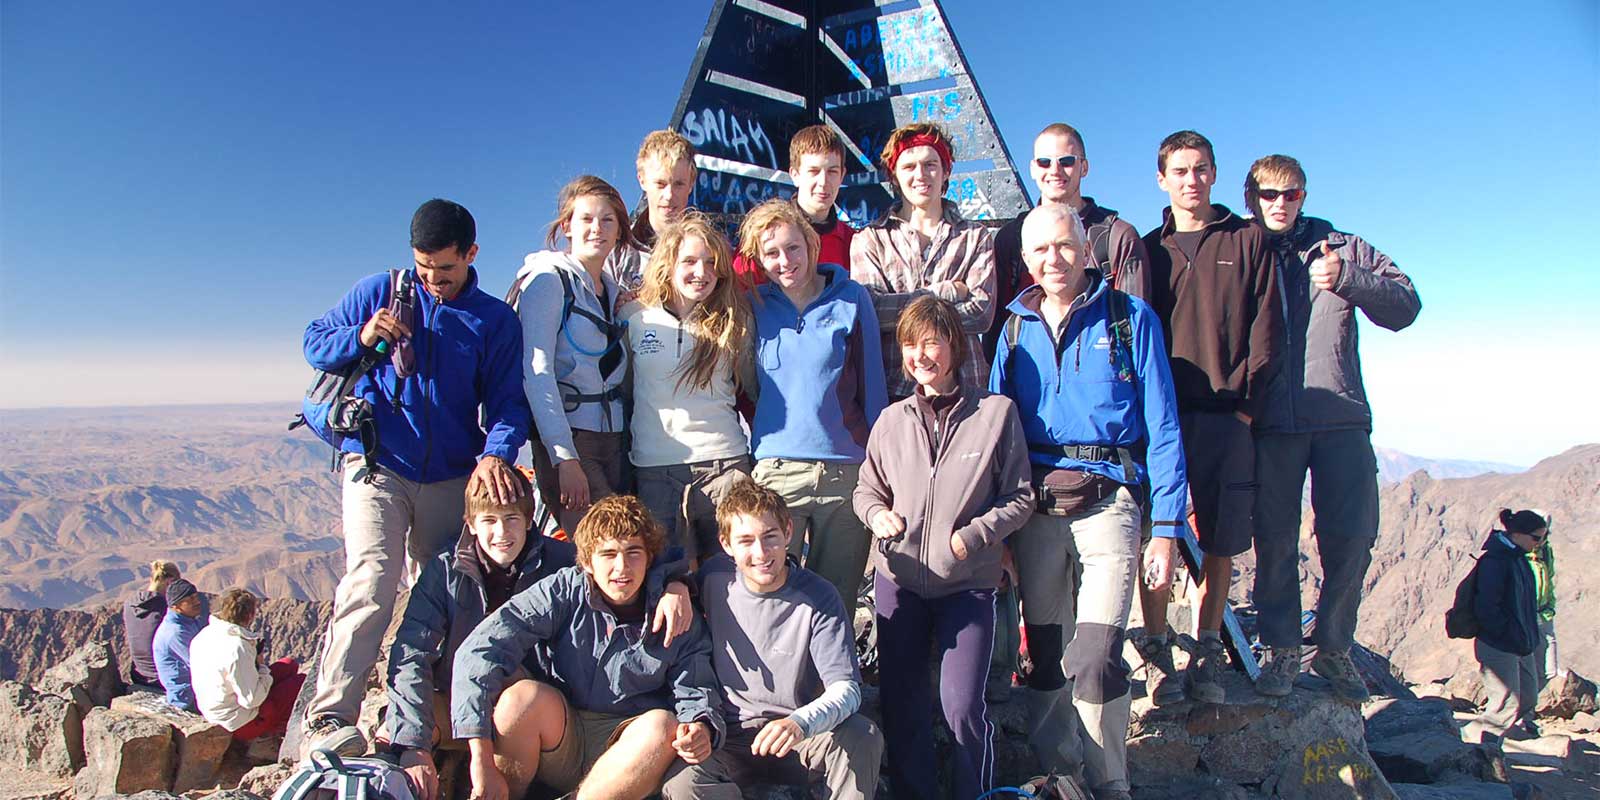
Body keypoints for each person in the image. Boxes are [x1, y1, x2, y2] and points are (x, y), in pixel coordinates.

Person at [301, 198, 529, 756]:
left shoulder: (493, 320)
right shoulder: (380, 290)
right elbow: (313, 341)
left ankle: (442, 708)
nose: (434, 283)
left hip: (451, 473)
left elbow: (507, 402)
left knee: (446, 589)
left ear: (471, 255)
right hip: (377, 463)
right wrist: (360, 336)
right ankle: (331, 716)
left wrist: (496, 454)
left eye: (446, 272)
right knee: (373, 578)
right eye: (425, 271)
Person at [991, 205, 1189, 800]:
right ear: (1025, 259)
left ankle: (1111, 783)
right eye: (1040, 251)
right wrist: (999, 531)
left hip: (1109, 502)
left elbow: (1165, 426)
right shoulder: (1014, 329)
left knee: (1097, 654)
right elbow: (998, 434)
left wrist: (1167, 526)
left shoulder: (1131, 320)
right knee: (1047, 654)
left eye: (1065, 246)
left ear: (1086, 248)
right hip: (1037, 511)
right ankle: (1063, 778)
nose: (1054, 259)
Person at [385, 471, 694, 799]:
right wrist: (419, 746)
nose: (502, 532)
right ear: (470, 523)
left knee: (658, 725)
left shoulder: (561, 564)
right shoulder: (445, 572)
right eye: (489, 519)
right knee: (402, 724)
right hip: (483, 705)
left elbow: (635, 555)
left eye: (512, 519)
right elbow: (416, 654)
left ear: (530, 520)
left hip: (558, 721)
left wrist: (676, 582)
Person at [1242, 154, 1422, 702]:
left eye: (1290, 194)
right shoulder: (1241, 250)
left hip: (1340, 416)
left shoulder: (1343, 247)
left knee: (1352, 535)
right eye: (1268, 194)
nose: (1279, 203)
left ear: (1304, 195)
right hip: (1270, 421)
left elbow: (1406, 305)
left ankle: (1334, 645)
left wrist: (1349, 279)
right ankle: (1281, 647)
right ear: (1251, 197)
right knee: (1273, 538)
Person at [855, 295, 1033, 800]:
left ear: (954, 344)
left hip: (967, 586)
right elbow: (866, 490)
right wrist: (876, 514)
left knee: (961, 706)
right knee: (902, 704)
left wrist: (973, 536)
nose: (920, 355)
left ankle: (973, 794)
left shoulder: (996, 414)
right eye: (910, 344)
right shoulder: (891, 421)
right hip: (899, 583)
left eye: (931, 341)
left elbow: (1019, 497)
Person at [451, 495, 723, 800]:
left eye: (634, 552)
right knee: (520, 699)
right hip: (564, 732)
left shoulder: (674, 608)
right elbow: (481, 648)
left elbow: (696, 686)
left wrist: (701, 726)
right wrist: (480, 757)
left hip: (631, 748)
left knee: (663, 725)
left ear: (650, 557)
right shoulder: (564, 590)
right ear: (588, 562)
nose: (622, 568)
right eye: (608, 554)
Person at [1137, 131, 1281, 705]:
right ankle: (1155, 653)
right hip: (1162, 418)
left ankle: (1203, 657)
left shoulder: (1247, 242)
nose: (1190, 180)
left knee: (1219, 540)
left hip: (1226, 415)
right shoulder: (1149, 249)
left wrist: (1247, 408)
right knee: (1159, 533)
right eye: (1179, 170)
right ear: (1162, 179)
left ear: (1215, 173)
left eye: (1200, 169)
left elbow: (1267, 330)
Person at [661, 481, 883, 799]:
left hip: (797, 734)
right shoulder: (713, 578)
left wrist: (800, 723)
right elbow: (674, 582)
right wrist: (676, 586)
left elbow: (846, 690)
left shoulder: (819, 596)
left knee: (863, 736)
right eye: (746, 541)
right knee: (681, 784)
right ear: (726, 544)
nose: (761, 553)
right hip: (728, 736)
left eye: (770, 538)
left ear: (788, 532)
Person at [742, 198, 887, 620]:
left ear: (811, 245)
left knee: (833, 602)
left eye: (793, 248)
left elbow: (873, 387)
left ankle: (834, 684)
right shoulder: (754, 306)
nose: (784, 261)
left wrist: (879, 467)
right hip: (777, 472)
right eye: (771, 253)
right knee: (771, 597)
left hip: (845, 474)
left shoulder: (851, 298)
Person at [625, 211, 754, 565]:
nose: (702, 272)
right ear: (668, 264)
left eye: (711, 263)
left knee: (732, 579)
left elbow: (752, 393)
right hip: (656, 470)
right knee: (668, 579)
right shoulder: (634, 319)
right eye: (690, 261)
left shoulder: (733, 322)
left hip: (725, 467)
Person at [513, 176, 635, 534]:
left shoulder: (613, 293)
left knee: (623, 549)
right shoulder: (548, 282)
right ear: (567, 226)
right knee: (599, 544)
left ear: (619, 231)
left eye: (607, 220)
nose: (597, 228)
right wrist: (563, 458)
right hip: (572, 438)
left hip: (617, 441)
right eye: (586, 219)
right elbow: (537, 372)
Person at [850, 121, 996, 401]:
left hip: (968, 393)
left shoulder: (975, 236)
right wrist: (947, 293)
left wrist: (903, 311)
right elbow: (873, 312)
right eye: (908, 167)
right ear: (893, 176)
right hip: (898, 395)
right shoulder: (871, 239)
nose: (920, 174)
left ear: (945, 173)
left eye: (930, 164)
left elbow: (981, 314)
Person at [986, 123, 1151, 362]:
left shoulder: (1117, 236)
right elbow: (997, 330)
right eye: (1044, 162)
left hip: (1103, 378)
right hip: (1030, 379)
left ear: (1084, 167)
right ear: (1033, 168)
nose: (1055, 170)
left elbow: (1138, 329)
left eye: (1066, 161)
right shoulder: (1010, 238)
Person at [732, 125, 854, 286]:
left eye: (832, 171)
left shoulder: (852, 241)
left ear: (842, 176)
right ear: (795, 175)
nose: (823, 182)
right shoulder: (764, 234)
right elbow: (736, 296)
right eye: (814, 171)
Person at [190, 588, 306, 741]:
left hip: (216, 706)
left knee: (288, 665)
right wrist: (262, 667)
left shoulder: (204, 634)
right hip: (239, 722)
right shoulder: (238, 648)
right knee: (301, 682)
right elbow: (252, 700)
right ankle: (275, 734)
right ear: (250, 616)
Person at [1473, 509, 1545, 744]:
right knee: (1505, 703)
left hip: (1519, 642)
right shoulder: (1496, 561)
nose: (1540, 543)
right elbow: (1486, 606)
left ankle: (1497, 744)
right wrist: (1505, 632)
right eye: (1536, 538)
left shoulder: (1518, 559)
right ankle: (1480, 752)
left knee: (1527, 698)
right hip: (1499, 643)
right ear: (1518, 534)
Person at [609, 130, 699, 291]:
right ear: (642, 180)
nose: (669, 195)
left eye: (679, 184)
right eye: (660, 184)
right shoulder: (617, 251)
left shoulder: (711, 252)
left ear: (691, 184)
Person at [124, 560, 181, 688]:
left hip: (138, 675)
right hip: (162, 678)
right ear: (170, 582)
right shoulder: (165, 609)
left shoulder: (129, 604)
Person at [153, 578, 206, 711]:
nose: (197, 602)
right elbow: (201, 666)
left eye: (195, 597)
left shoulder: (187, 621)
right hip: (186, 697)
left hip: (193, 689)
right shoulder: (176, 633)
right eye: (190, 599)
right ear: (176, 606)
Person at [1528, 510, 1560, 691]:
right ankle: (1523, 711)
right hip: (1522, 615)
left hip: (1544, 613)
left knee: (1548, 667)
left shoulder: (1545, 552)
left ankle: (1533, 704)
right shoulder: (1515, 555)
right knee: (1523, 664)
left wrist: (1550, 607)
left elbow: (1549, 580)